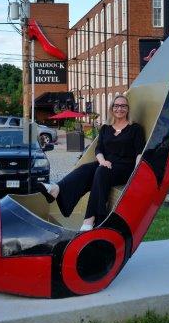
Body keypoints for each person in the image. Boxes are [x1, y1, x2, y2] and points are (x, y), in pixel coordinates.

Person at [37, 95, 145, 231]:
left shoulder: (135, 129)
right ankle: (57, 189)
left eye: (123, 106)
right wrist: (102, 161)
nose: (120, 109)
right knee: (86, 169)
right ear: (112, 109)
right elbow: (99, 149)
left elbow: (139, 152)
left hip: (124, 168)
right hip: (106, 164)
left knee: (100, 171)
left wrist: (136, 172)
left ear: (128, 109)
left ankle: (90, 219)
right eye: (116, 106)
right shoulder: (106, 128)